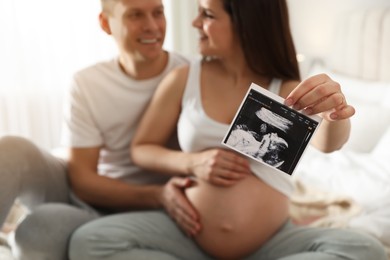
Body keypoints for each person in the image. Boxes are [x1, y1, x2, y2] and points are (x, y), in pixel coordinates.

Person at [69, 0, 387, 260]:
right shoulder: (184, 77)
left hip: (271, 243)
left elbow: (328, 144)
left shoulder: (286, 89)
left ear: (245, 22)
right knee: (90, 240)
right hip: (187, 237)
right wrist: (192, 163)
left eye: (206, 15)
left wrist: (335, 115)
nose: (195, 24)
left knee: (364, 249)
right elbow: (142, 148)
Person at [0, 0, 193, 259]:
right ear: (105, 23)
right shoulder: (87, 82)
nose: (152, 26)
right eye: (135, 15)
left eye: (158, 13)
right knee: (11, 150)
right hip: (97, 200)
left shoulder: (193, 75)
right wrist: (156, 195)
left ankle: (13, 233)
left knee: (36, 231)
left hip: (159, 214)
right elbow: (82, 181)